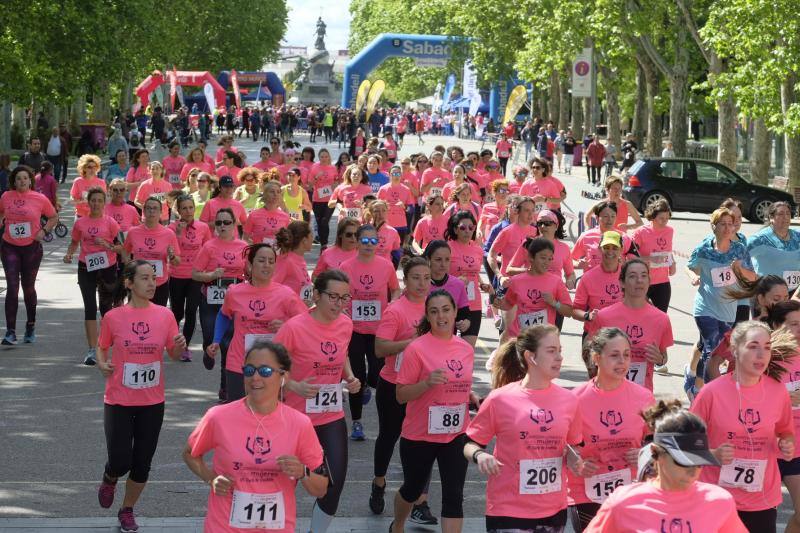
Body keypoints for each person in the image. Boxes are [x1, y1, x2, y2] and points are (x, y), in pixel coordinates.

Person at [183, 340, 328, 533]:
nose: (255, 378)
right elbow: (190, 453)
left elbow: (321, 489)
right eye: (249, 371)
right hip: (224, 526)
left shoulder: (300, 424)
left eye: (265, 371)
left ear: (283, 376)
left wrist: (303, 472)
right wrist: (211, 478)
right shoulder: (218, 416)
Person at [95, 260, 187, 533]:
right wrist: (102, 364)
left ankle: (127, 509)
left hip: (151, 401)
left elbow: (171, 353)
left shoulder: (165, 315)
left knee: (142, 463)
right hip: (119, 400)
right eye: (144, 278)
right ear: (129, 283)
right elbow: (102, 348)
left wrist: (178, 347)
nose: (151, 283)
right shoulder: (114, 317)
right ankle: (110, 476)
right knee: (121, 459)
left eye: (153, 278)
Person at [464, 324, 582, 532]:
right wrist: (480, 456)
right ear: (531, 356)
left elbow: (574, 446)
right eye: (551, 351)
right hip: (508, 508)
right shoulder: (500, 399)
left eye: (560, 351)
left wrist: (573, 457)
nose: (559, 357)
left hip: (553, 508)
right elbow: (469, 443)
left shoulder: (569, 400)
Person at [274, 269, 361, 533]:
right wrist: (293, 385)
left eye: (344, 298)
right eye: (333, 297)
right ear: (316, 295)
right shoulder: (294, 328)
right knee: (281, 485)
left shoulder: (346, 324)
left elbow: (342, 353)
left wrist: (350, 376)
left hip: (330, 415)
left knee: (333, 485)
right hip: (294, 418)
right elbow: (265, 368)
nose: (339, 304)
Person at [691, 321, 796, 533]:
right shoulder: (711, 393)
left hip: (761, 500)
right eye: (753, 346)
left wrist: (786, 445)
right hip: (716, 497)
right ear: (734, 350)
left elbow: (786, 432)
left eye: (766, 347)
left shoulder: (778, 392)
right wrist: (713, 454)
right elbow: (683, 446)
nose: (761, 354)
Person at [584, 400, 747, 532]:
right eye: (683, 460)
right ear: (657, 453)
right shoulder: (623, 503)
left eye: (698, 461)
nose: (693, 471)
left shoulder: (719, 501)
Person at [389, 289, 475, 533]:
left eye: (446, 310)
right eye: (434, 312)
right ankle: (398, 526)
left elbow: (459, 383)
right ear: (427, 315)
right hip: (420, 434)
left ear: (455, 312)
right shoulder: (417, 348)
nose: (441, 317)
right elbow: (400, 394)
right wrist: (426, 383)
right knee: (413, 490)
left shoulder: (465, 348)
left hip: (456, 434)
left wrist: (470, 395)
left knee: (454, 495)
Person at [567, 328, 655, 530]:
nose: (622, 361)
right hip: (586, 490)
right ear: (596, 358)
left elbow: (656, 442)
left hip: (630, 488)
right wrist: (573, 459)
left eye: (626, 355)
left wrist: (645, 453)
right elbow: (562, 444)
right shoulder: (575, 399)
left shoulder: (644, 397)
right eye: (614, 355)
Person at [371, 256, 437, 524]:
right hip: (393, 384)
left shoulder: (435, 307)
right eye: (416, 278)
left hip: (423, 387)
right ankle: (378, 482)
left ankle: (420, 501)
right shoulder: (395, 311)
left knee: (424, 442)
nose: (422, 284)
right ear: (405, 280)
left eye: (426, 278)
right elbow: (379, 349)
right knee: (389, 436)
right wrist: (411, 344)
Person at [207, 243, 306, 401]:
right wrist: (216, 340)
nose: (267, 265)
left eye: (271, 261)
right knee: (239, 416)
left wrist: (286, 326)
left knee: (268, 419)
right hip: (239, 363)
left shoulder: (286, 295)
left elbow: (306, 324)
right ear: (250, 264)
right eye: (261, 260)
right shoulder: (234, 292)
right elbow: (224, 315)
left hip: (272, 366)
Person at [339, 225, 401, 440]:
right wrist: (343, 309)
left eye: (373, 241)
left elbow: (395, 289)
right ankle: (357, 422)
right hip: (354, 329)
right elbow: (340, 293)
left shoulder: (386, 266)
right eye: (364, 241)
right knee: (356, 376)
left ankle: (367, 386)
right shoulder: (346, 267)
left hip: (379, 331)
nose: (369, 246)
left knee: (377, 376)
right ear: (357, 242)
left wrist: (393, 308)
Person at [686, 207, 756, 395]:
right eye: (722, 224)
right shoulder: (704, 248)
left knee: (717, 352)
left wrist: (739, 270)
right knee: (711, 344)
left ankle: (694, 382)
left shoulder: (739, 250)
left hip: (728, 309)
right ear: (713, 226)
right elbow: (689, 266)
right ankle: (705, 391)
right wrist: (693, 276)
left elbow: (753, 277)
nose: (727, 228)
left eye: (730, 224)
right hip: (705, 307)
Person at [585, 259, 673, 391]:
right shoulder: (604, 316)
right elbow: (588, 348)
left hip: (642, 393)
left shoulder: (661, 319)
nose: (639, 280)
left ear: (649, 281)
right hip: (607, 391)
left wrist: (660, 359)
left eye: (644, 276)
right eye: (632, 276)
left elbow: (663, 356)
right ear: (622, 282)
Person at [192, 207, 248, 401]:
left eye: (227, 222)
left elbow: (250, 272)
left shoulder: (243, 247)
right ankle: (208, 349)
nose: (222, 226)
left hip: (235, 302)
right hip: (211, 298)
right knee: (209, 336)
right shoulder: (209, 247)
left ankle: (225, 388)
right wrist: (211, 275)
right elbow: (195, 273)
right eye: (219, 223)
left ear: (234, 225)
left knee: (227, 344)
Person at [63, 187, 123, 365]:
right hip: (86, 267)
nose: (96, 203)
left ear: (104, 203)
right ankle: (92, 349)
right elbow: (74, 242)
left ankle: (105, 345)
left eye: (99, 200)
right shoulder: (80, 223)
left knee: (106, 308)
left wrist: (108, 245)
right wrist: (69, 254)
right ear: (88, 202)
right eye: (93, 200)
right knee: (90, 307)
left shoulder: (111, 222)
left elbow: (122, 247)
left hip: (107, 267)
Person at [0, 165, 58, 345]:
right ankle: (10, 331)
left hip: (31, 248)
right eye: (18, 178)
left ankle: (30, 325)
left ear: (30, 180)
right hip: (9, 246)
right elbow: (1, 213)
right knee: (12, 286)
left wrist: (44, 231)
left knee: (28, 287)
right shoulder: (6, 196)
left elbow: (53, 217)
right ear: (14, 181)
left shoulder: (39, 198)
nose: (22, 181)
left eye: (25, 178)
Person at [764, 301, 800, 533]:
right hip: (762, 446)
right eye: (794, 324)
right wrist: (785, 399)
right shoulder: (763, 358)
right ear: (776, 326)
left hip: (795, 446)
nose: (799, 330)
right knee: (761, 517)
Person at [493, 237, 572, 338]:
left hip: (543, 339)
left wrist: (554, 303)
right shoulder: (516, 281)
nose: (547, 262)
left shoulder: (556, 281)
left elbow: (569, 312)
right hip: (521, 338)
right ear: (531, 257)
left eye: (550, 259)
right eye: (543, 258)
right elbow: (508, 304)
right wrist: (500, 303)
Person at [168, 195, 212, 362]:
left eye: (190, 207)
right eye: (184, 208)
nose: (188, 211)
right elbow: (171, 253)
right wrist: (178, 234)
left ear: (195, 208)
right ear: (178, 210)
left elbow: (209, 249)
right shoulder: (171, 228)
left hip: (195, 275)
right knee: (177, 312)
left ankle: (185, 346)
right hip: (177, 275)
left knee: (191, 311)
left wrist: (208, 272)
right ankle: (173, 343)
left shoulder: (203, 227)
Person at [121, 197, 180, 306]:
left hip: (159, 283)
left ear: (161, 212)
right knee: (136, 316)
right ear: (143, 211)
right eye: (148, 208)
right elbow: (125, 251)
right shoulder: (133, 232)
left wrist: (172, 257)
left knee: (157, 319)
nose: (152, 211)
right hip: (138, 282)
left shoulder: (169, 234)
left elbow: (177, 262)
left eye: (155, 208)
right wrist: (128, 264)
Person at [446, 210, 491, 347]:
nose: (467, 231)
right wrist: (455, 281)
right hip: (449, 302)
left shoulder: (477, 249)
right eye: (463, 228)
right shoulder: (447, 247)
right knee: (447, 347)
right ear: (455, 229)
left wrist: (483, 284)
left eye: (471, 227)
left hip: (472, 302)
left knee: (468, 350)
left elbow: (474, 273)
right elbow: (437, 273)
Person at [632, 199, 675, 313]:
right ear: (653, 216)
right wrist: (650, 259)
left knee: (660, 317)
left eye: (667, 218)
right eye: (661, 218)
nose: (664, 221)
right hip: (642, 281)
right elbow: (630, 257)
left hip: (662, 282)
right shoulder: (640, 232)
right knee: (639, 316)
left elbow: (667, 251)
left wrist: (672, 263)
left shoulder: (669, 231)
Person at [746, 201, 800, 291]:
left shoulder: (798, 236)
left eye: (788, 214)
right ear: (771, 217)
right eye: (781, 214)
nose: (785, 217)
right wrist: (752, 280)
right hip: (767, 293)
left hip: (794, 293)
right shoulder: (759, 239)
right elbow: (738, 260)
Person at [572, 201, 635, 272]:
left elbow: (635, 263)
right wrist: (579, 264)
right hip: (591, 281)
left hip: (615, 281)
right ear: (597, 218)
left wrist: (624, 264)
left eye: (613, 216)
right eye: (605, 216)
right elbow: (570, 260)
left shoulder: (624, 238)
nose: (610, 219)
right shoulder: (586, 236)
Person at [272, 220, 315, 305]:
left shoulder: (299, 259)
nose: (313, 239)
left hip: (299, 314)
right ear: (304, 240)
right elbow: (271, 288)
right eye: (311, 236)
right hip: (286, 316)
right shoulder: (286, 261)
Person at [242, 180, 290, 246]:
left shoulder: (285, 217)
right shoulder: (254, 215)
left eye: (278, 192)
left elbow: (288, 240)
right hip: (259, 254)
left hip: (278, 255)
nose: (275, 194)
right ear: (265, 195)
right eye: (272, 192)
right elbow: (245, 238)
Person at [309, 148, 340, 249]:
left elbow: (337, 181)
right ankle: (323, 243)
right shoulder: (314, 167)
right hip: (317, 199)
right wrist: (317, 177)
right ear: (319, 157)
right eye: (322, 157)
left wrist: (334, 185)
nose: (324, 158)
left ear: (329, 157)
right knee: (319, 222)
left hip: (329, 199)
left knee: (325, 221)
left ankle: (324, 245)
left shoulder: (332, 168)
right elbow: (310, 185)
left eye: (326, 156)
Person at [378, 164, 415, 244]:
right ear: (389, 175)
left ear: (401, 175)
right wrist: (384, 206)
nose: (396, 176)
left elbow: (411, 209)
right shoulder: (383, 189)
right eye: (393, 174)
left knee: (398, 249)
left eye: (398, 174)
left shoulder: (406, 189)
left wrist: (404, 207)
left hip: (400, 224)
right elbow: (376, 207)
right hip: (386, 224)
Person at [364, 200, 402, 266]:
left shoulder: (393, 232)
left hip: (385, 267)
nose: (380, 214)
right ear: (371, 213)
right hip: (366, 266)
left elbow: (396, 252)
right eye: (376, 211)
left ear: (387, 212)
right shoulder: (363, 230)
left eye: (383, 210)